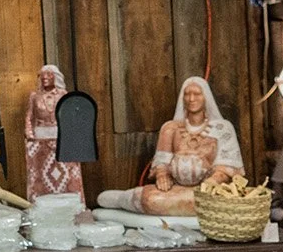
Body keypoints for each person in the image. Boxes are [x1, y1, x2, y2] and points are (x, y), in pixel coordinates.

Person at [96, 75, 244, 217]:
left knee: (217, 203)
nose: (191, 99)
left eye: (197, 94)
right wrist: (162, 175)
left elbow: (228, 165)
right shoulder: (170, 128)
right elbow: (162, 162)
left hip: (210, 191)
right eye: (187, 94)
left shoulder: (222, 128)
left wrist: (212, 182)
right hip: (175, 190)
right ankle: (121, 199)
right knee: (151, 200)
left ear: (206, 97)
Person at [23, 64, 83, 201]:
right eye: (42, 75)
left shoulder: (63, 95)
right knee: (39, 169)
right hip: (40, 136)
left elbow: (70, 116)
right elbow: (29, 117)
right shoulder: (34, 96)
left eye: (49, 74)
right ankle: (40, 198)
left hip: (59, 134)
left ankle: (69, 199)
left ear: (55, 77)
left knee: (65, 168)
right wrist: (30, 134)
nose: (45, 77)